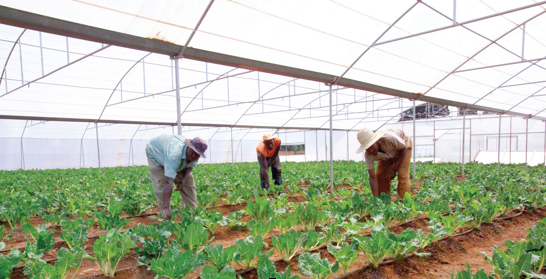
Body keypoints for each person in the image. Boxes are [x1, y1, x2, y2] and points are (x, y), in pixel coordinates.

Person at [145, 134, 207, 220]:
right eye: (192, 152)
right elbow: (168, 181)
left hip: (169, 154)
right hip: (156, 152)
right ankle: (165, 214)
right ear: (188, 146)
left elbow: (190, 167)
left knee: (188, 181)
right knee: (161, 182)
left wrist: (183, 180)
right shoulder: (175, 154)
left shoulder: (194, 156)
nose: (194, 156)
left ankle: (191, 213)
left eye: (197, 155)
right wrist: (166, 207)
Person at [355, 128, 412, 198]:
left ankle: (406, 203)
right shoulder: (369, 155)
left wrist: (393, 169)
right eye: (367, 148)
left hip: (404, 146)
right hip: (388, 155)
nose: (371, 150)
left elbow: (403, 149)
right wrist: (375, 199)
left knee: (402, 175)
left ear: (376, 141)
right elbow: (372, 177)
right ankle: (383, 201)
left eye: (371, 147)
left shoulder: (389, 138)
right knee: (380, 175)